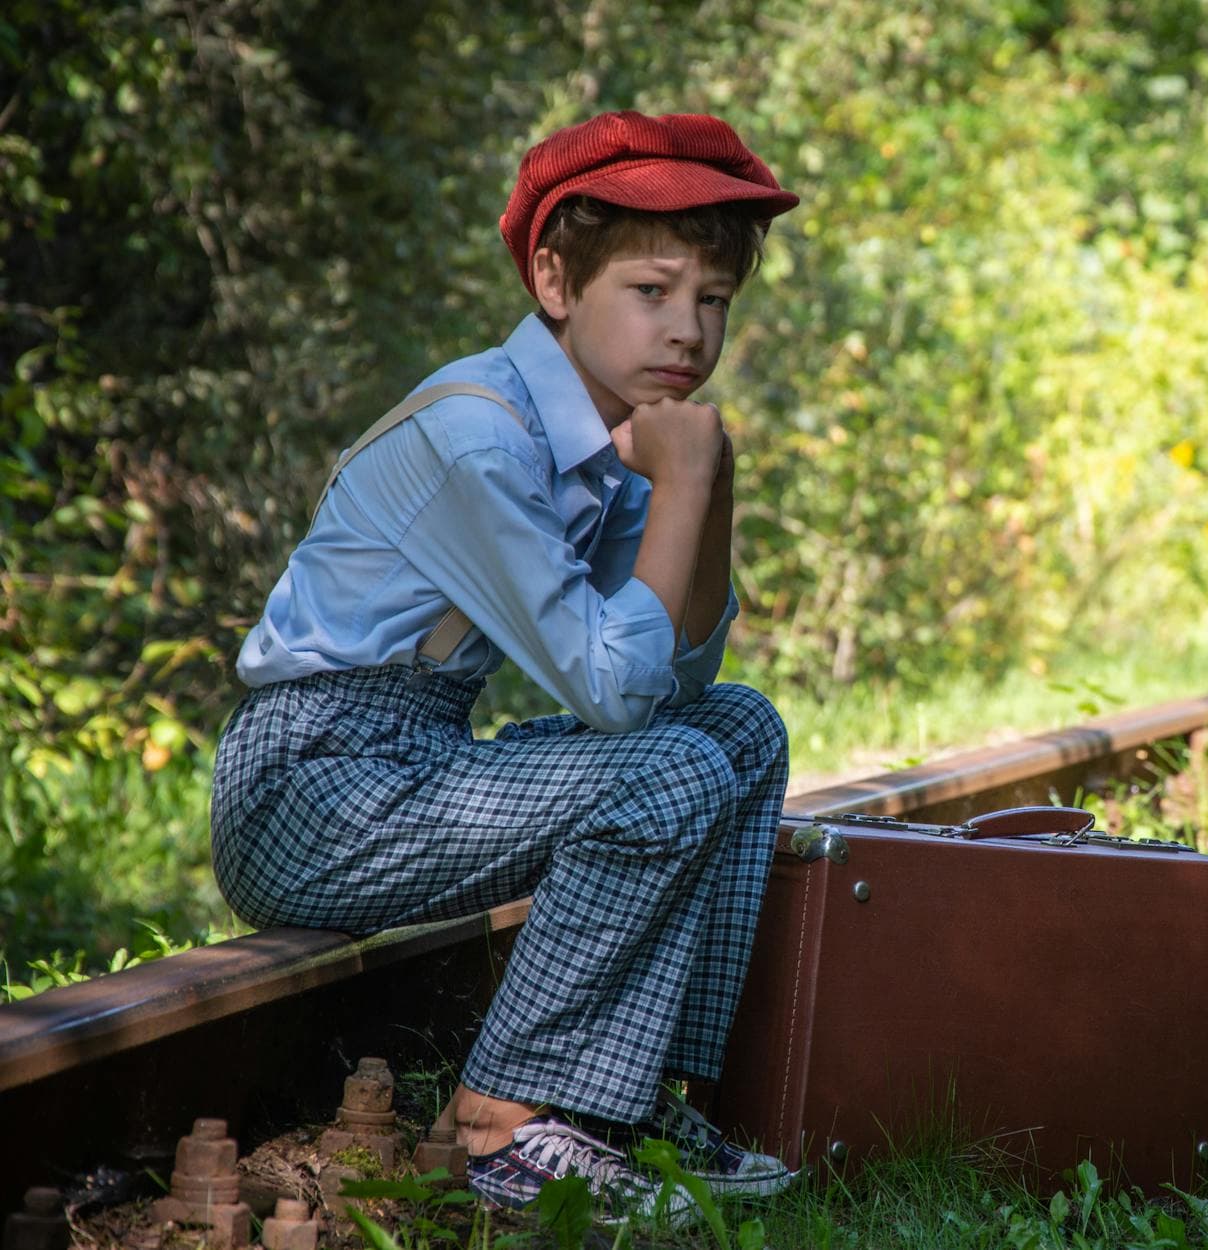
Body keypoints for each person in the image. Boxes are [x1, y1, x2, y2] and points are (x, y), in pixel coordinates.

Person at [209, 111, 800, 1224]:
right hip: (309, 784)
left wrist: (704, 490)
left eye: (712, 300)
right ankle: (505, 1125)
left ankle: (622, 1103)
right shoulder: (478, 433)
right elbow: (617, 696)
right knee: (667, 768)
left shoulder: (609, 435)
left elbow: (673, 678)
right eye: (652, 290)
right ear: (553, 279)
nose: (687, 331)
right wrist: (680, 487)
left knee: (738, 729)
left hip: (414, 760)